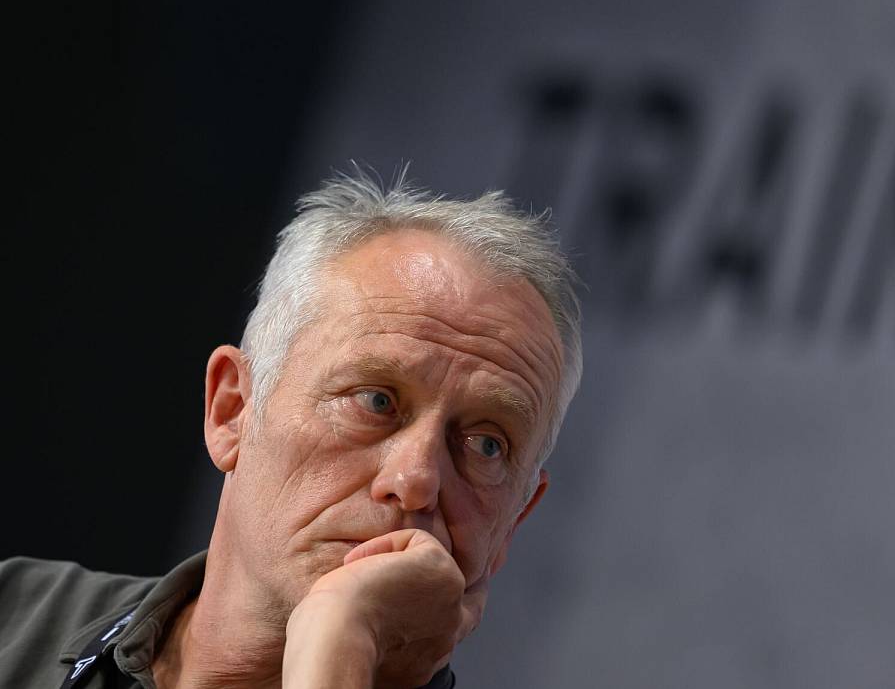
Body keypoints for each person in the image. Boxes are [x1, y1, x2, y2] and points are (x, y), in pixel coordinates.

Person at [0, 170, 583, 688]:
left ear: (513, 522)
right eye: (376, 400)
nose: (415, 482)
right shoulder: (14, 616)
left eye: (486, 444)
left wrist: (340, 642)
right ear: (232, 411)